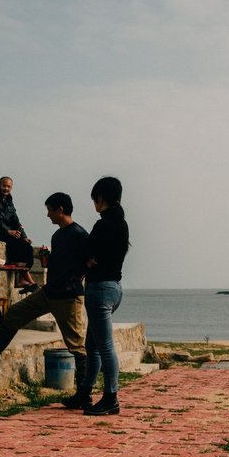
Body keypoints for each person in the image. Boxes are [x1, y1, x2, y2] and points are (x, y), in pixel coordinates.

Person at [0, 192, 90, 389]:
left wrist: (76, 276)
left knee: (76, 344)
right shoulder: (58, 235)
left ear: (60, 210)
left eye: (50, 210)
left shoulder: (79, 234)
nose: (47, 215)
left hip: (68, 296)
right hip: (49, 292)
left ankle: (83, 393)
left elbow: (90, 261)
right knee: (15, 313)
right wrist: (48, 259)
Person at [75, 177, 129, 416]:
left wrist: (86, 262)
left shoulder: (103, 225)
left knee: (104, 347)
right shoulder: (122, 224)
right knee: (93, 345)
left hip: (99, 289)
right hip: (115, 288)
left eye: (95, 200)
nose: (94, 204)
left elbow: (88, 253)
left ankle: (110, 397)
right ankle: (85, 391)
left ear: (101, 198)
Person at [0, 176, 37, 290]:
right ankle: (27, 279)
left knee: (27, 246)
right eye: (4, 186)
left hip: (9, 232)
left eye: (8, 187)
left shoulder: (9, 200)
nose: (6, 189)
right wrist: (7, 231)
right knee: (17, 244)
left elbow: (15, 219)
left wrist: (24, 236)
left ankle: (22, 277)